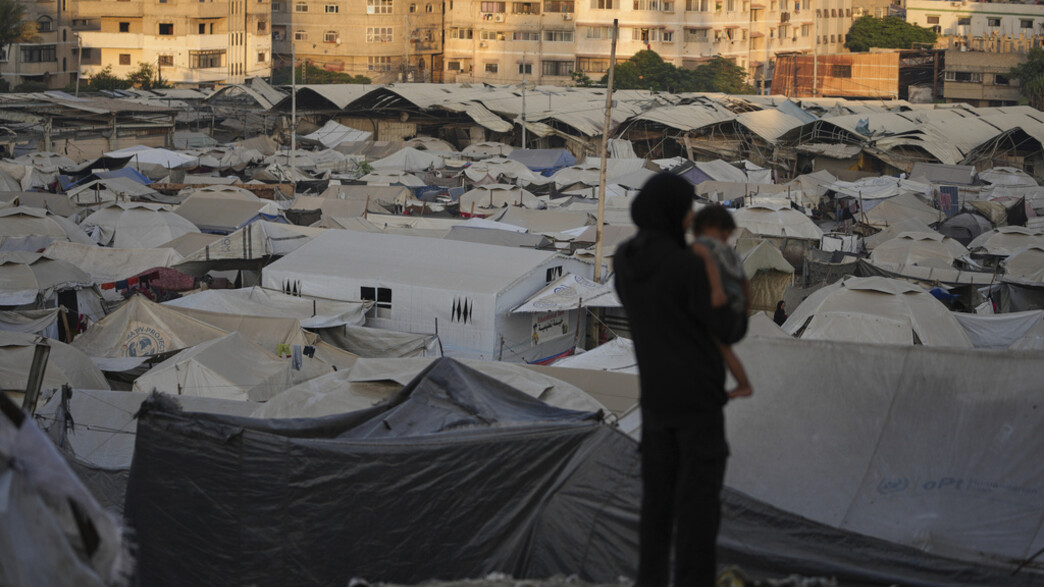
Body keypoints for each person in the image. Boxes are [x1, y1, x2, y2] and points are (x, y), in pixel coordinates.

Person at [613, 173, 750, 587]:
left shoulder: (624, 259)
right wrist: (739, 286)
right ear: (673, 211)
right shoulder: (688, 265)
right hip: (698, 405)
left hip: (655, 402)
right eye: (687, 208)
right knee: (697, 512)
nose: (691, 217)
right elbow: (728, 329)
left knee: (656, 508)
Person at [690, 204, 753, 400]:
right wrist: (745, 311)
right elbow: (744, 283)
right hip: (737, 313)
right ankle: (743, 384)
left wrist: (716, 290)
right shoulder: (732, 253)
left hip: (723, 307)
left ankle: (743, 385)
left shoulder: (702, 244)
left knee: (712, 344)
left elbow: (707, 260)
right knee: (723, 348)